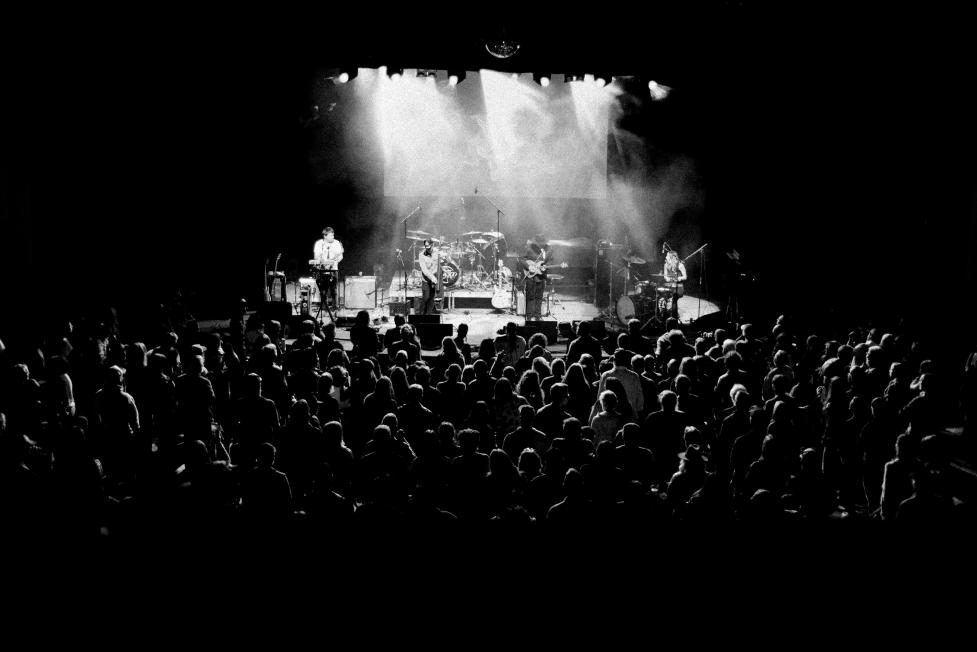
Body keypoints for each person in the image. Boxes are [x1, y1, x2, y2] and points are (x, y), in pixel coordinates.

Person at [312, 226, 343, 308]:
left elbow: (340, 256)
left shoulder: (336, 243)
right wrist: (322, 263)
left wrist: (333, 262)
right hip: (322, 269)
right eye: (331, 235)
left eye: (333, 235)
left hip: (333, 269)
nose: (333, 237)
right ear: (325, 236)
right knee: (323, 289)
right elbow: (316, 256)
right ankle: (324, 307)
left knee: (334, 289)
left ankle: (335, 307)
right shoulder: (319, 243)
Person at [520, 234, 549, 320]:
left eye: (542, 243)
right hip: (531, 277)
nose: (541, 244)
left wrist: (545, 266)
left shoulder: (546, 250)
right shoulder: (529, 248)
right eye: (539, 243)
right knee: (530, 297)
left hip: (541, 276)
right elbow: (521, 259)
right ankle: (529, 316)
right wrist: (529, 267)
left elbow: (549, 262)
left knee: (539, 297)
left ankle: (538, 316)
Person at [662, 247, 687, 321]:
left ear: (672, 257)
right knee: (661, 294)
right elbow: (665, 276)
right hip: (670, 285)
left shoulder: (680, 265)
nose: (666, 257)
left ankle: (673, 318)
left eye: (667, 256)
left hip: (678, 287)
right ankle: (664, 314)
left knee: (674, 298)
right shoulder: (666, 265)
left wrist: (679, 278)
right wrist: (668, 279)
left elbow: (685, 277)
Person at [418, 238, 440, 315]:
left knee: (431, 298)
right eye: (426, 246)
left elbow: (440, 262)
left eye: (429, 246)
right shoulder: (421, 255)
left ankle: (428, 315)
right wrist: (433, 278)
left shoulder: (437, 252)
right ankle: (420, 314)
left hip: (434, 278)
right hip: (426, 279)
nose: (427, 249)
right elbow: (424, 270)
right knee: (426, 297)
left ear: (432, 245)